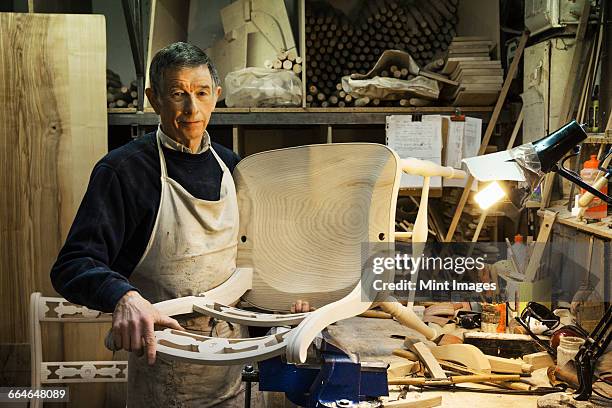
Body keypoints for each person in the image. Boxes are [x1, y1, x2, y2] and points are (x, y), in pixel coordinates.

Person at [51, 42, 310, 407]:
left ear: (216, 96)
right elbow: (72, 265)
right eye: (178, 94)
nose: (192, 108)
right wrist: (123, 296)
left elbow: (252, 265)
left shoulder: (232, 168)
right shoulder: (123, 171)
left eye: (201, 93)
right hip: (165, 369)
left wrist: (286, 302)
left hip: (235, 366)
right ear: (153, 99)